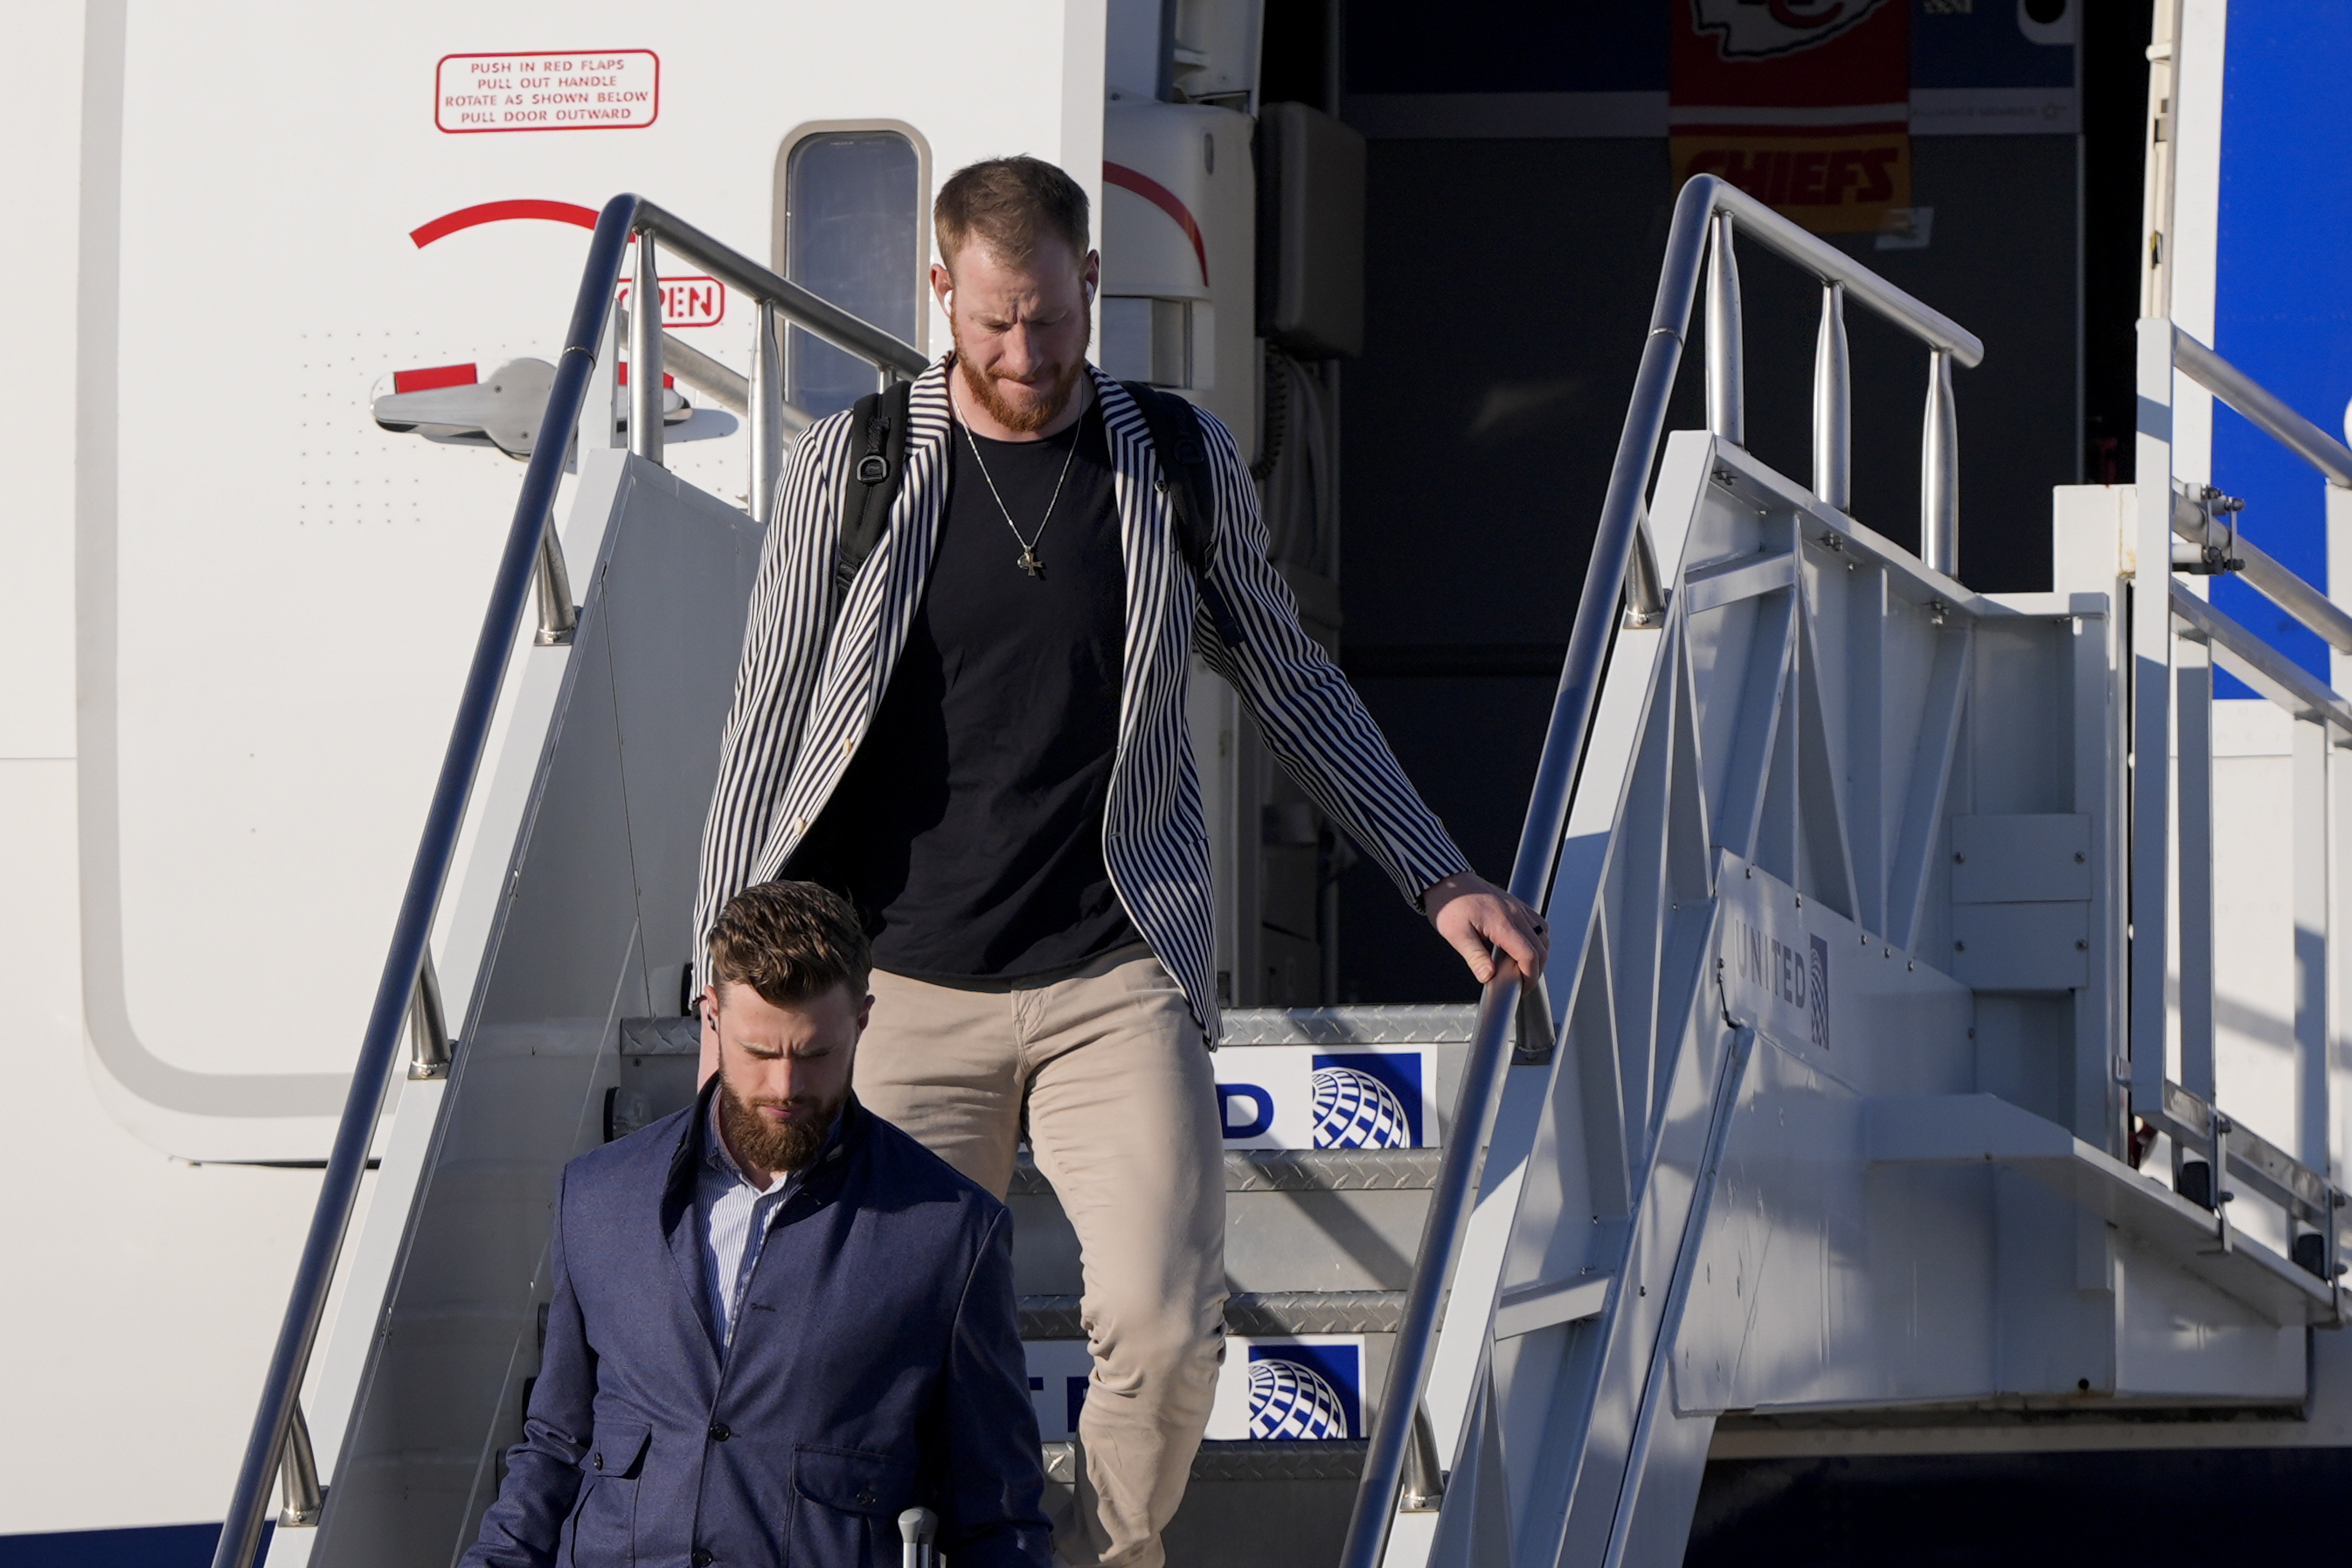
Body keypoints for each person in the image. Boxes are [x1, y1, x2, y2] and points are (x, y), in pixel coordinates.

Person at [691, 156, 1547, 1567]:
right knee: (870, 1337)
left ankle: (1103, 1554)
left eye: (1052, 319)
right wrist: (723, 980)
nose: (1025, 354)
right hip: (897, 983)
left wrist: (1435, 871)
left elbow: (1288, 680)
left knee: (1161, 1312)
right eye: (993, 324)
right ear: (943, 295)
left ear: (1094, 283)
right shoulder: (852, 465)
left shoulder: (1178, 456)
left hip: (1112, 967)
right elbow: (765, 717)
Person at [461, 880, 1050, 1568]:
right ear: (709, 1015)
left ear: (862, 1020)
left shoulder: (951, 1231)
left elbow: (997, 1515)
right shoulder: (596, 1195)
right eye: (761, 1053)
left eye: (816, 1054)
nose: (786, 1087)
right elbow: (556, 1445)